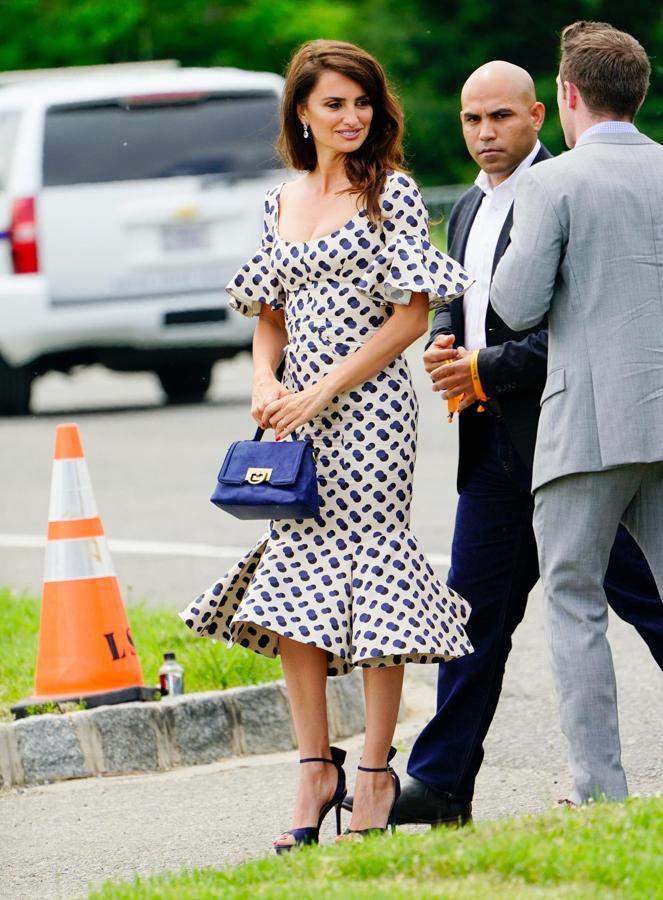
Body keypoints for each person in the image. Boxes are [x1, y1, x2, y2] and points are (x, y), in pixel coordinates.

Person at [343, 59, 663, 827]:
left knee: (645, 602)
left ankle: (586, 787)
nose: (484, 134)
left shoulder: (568, 186)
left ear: (541, 115)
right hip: (490, 448)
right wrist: (450, 353)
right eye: (470, 120)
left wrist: (483, 369)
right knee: (473, 616)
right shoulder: (464, 212)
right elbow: (460, 302)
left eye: (500, 118)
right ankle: (443, 782)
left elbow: (582, 334)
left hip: (576, 436)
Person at [180, 39, 474, 849]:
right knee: (293, 584)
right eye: (333, 103)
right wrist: (263, 384)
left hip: (371, 413)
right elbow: (266, 317)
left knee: (374, 571)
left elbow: (411, 315)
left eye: (362, 102)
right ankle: (315, 767)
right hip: (295, 417)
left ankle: (375, 772)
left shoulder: (394, 194)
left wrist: (323, 387)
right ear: (301, 113)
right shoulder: (279, 203)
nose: (351, 117)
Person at [491, 21, 663, 805]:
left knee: (571, 597)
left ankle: (599, 789)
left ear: (564, 95)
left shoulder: (549, 183)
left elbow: (516, 305)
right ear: (638, 92)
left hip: (587, 424)